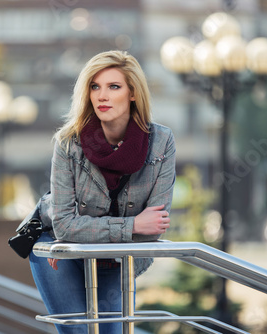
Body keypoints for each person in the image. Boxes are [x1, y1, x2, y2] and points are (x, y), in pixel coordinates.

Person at [29, 50, 176, 334]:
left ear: (133, 93)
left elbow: (153, 228)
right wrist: (132, 225)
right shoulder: (68, 143)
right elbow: (64, 225)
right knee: (79, 331)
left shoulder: (162, 142)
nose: (102, 96)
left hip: (119, 257)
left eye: (114, 86)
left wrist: (127, 230)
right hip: (61, 251)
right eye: (95, 87)